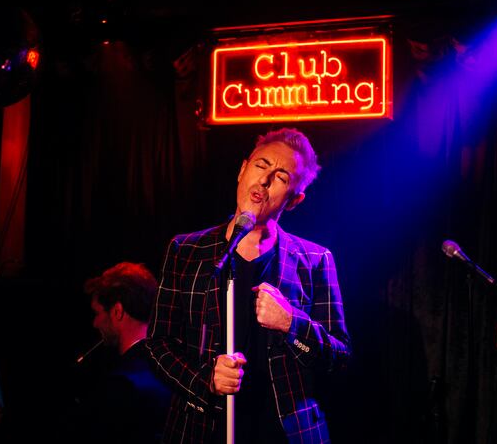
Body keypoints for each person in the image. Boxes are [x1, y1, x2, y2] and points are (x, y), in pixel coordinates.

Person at [147, 127, 351, 444]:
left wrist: (291, 324)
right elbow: (158, 344)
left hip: (286, 434)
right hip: (199, 430)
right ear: (243, 169)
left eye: (281, 177)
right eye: (261, 165)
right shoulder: (186, 251)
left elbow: (339, 358)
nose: (265, 180)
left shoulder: (315, 259)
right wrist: (206, 381)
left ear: (295, 199)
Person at [0, 262, 171, 443]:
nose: (94, 323)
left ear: (117, 311)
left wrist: (0, 421)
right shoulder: (169, 367)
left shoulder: (122, 385)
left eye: (97, 313)